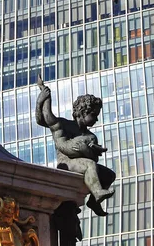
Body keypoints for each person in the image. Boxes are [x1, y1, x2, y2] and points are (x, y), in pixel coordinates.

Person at [35, 81, 115, 216]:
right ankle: (97, 192)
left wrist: (92, 150)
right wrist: (41, 100)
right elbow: (44, 118)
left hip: (82, 163)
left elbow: (93, 158)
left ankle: (94, 203)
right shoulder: (64, 125)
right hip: (66, 163)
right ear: (82, 112)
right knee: (89, 165)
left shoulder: (91, 136)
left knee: (109, 175)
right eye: (94, 115)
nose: (96, 120)